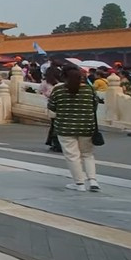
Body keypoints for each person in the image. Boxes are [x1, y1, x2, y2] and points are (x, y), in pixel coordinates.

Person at [47, 65, 101, 193]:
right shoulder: (89, 89)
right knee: (87, 154)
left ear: (63, 76)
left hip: (65, 128)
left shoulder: (58, 90)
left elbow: (52, 107)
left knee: (73, 156)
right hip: (86, 126)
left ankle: (79, 183)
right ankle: (93, 181)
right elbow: (95, 105)